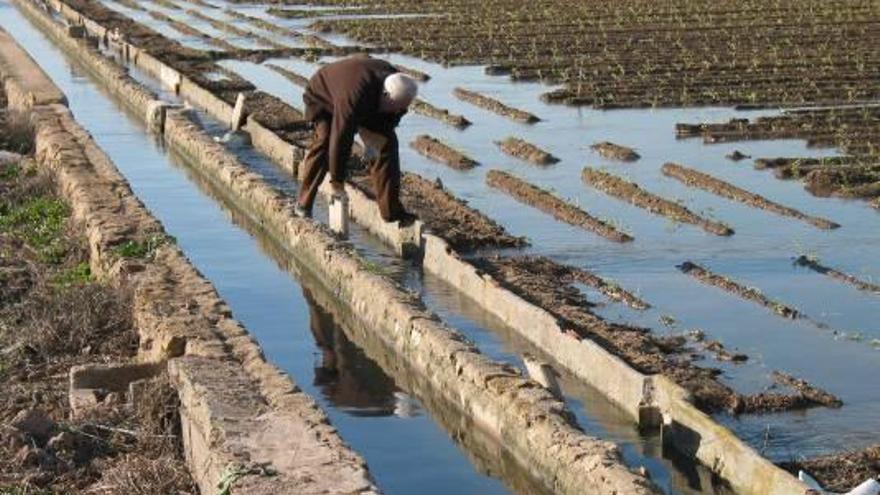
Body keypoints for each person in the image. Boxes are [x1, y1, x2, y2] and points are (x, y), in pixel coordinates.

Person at [295, 56, 418, 223]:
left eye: (401, 108)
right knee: (326, 140)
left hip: (369, 102)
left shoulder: (400, 87)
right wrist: (337, 182)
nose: (398, 111)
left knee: (387, 146)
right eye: (395, 107)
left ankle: (391, 212)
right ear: (385, 95)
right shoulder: (354, 96)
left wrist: (374, 144)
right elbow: (341, 137)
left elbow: (391, 119)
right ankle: (303, 203)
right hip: (322, 96)